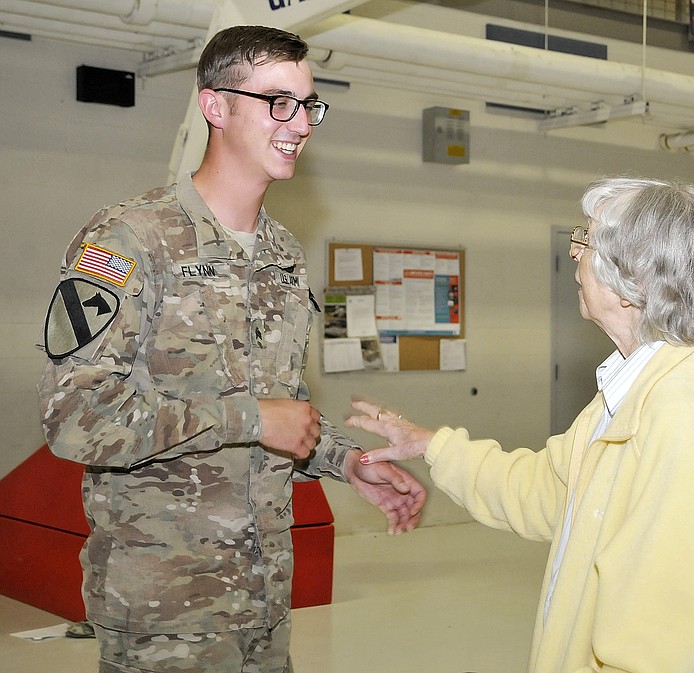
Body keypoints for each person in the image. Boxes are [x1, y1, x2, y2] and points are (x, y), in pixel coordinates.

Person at [36, 25, 425, 673]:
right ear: (215, 106)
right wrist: (247, 416)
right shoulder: (131, 241)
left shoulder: (282, 254)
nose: (299, 123)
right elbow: (77, 418)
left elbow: (283, 412)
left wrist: (345, 461)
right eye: (278, 101)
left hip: (263, 598)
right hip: (165, 613)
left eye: (308, 104)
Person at [346, 177, 694, 673]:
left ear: (635, 280)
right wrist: (431, 444)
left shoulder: (679, 411)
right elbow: (548, 490)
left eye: (586, 241)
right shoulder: (636, 387)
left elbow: (662, 645)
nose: (573, 254)